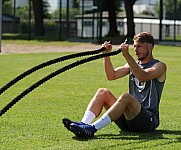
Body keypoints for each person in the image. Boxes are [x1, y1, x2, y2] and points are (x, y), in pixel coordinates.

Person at [62, 32, 167, 138]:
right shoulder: (133, 64)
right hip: (128, 120)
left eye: (139, 46)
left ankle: (92, 128)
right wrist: (106, 55)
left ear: (149, 47)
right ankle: (83, 124)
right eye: (134, 46)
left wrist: (126, 55)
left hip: (148, 121)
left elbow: (143, 76)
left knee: (126, 97)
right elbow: (111, 75)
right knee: (102, 92)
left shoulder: (160, 66)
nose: (135, 50)